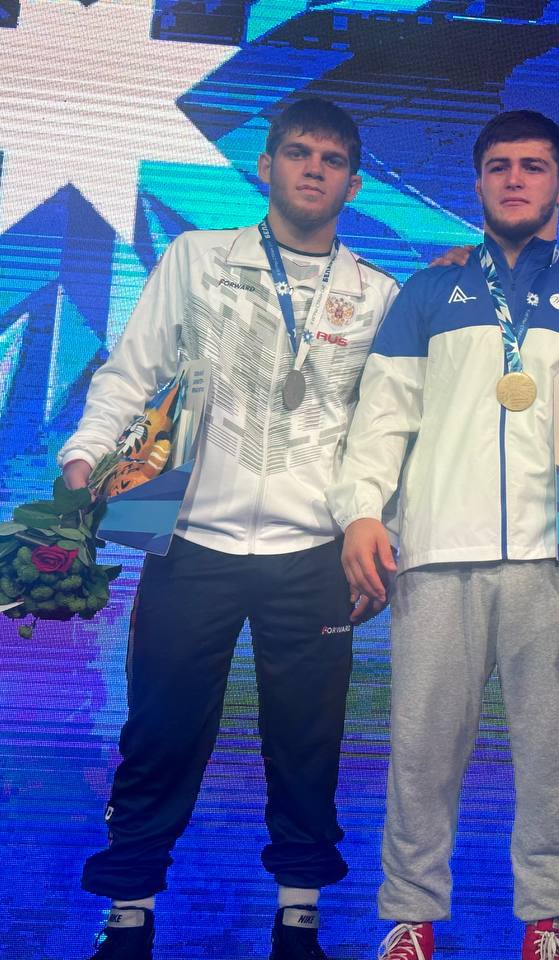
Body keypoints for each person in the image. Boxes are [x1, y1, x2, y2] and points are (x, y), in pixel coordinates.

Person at [327, 110, 559, 960]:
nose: (516, 179)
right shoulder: (429, 293)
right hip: (437, 548)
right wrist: (361, 512)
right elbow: (382, 418)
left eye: (533, 166)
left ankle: (546, 924)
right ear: (479, 183)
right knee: (421, 747)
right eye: (499, 166)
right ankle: (411, 917)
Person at [59, 97, 399, 960]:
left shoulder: (379, 294)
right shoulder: (197, 258)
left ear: (354, 184)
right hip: (192, 541)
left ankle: (298, 921)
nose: (314, 168)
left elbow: (385, 434)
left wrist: (377, 533)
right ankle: (128, 914)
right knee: (160, 732)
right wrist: (83, 461)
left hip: (313, 554)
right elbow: (132, 372)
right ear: (265, 164)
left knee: (308, 741)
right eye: (299, 152)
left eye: (331, 159)